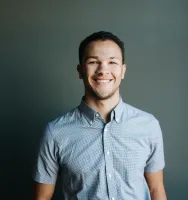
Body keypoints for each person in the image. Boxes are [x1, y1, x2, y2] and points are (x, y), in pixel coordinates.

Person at [33, 31, 167, 200]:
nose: (103, 70)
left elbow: (156, 190)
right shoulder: (55, 132)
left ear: (123, 71)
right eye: (93, 62)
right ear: (80, 70)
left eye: (112, 62)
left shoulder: (149, 125)